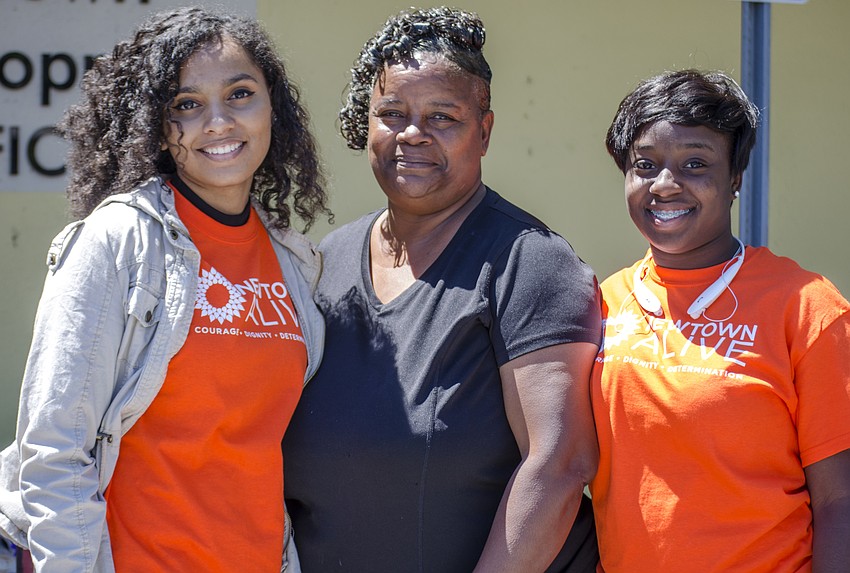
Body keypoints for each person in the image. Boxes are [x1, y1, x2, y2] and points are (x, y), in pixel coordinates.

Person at [0, 6, 330, 571]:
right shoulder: (118, 241)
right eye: (187, 105)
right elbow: (54, 450)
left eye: (241, 94)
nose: (219, 122)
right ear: (155, 125)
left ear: (273, 105)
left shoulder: (294, 263)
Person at [282, 7, 601, 573]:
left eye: (442, 116)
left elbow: (559, 464)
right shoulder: (324, 262)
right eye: (391, 113)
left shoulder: (527, 262)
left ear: (484, 129)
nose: (412, 133)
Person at [590, 69, 850, 572]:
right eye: (645, 164)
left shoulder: (806, 306)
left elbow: (840, 501)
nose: (665, 184)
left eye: (695, 164)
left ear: (734, 179)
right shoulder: (603, 302)